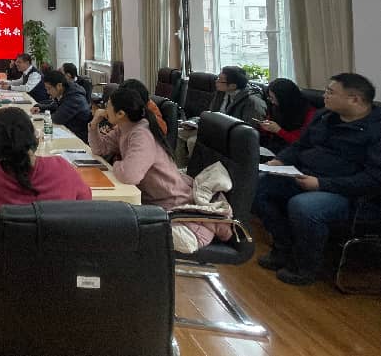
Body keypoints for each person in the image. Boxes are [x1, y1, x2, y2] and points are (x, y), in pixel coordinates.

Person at [254, 73, 381, 285]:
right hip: (305, 176)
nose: (324, 96)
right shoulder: (324, 116)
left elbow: (373, 179)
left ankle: (305, 267)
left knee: (304, 206)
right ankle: (283, 248)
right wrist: (280, 161)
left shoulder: (376, 130)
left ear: (354, 99)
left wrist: (322, 184)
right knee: (259, 186)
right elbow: (300, 146)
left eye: (331, 92)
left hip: (351, 195)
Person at [88, 89, 227, 251]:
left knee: (110, 226)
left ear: (120, 114)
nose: (104, 108)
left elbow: (130, 176)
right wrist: (94, 125)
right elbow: (100, 149)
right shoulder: (124, 128)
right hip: (156, 205)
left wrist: (117, 163)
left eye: (108, 105)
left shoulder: (141, 134)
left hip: (176, 213)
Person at [0, 107, 91, 208]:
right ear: (32, 135)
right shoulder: (61, 167)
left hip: (13, 232)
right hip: (57, 231)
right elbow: (85, 199)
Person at [257, 78, 316, 154]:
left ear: (284, 98)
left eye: (272, 98)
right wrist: (265, 127)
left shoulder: (309, 113)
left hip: (294, 152)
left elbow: (303, 143)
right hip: (274, 148)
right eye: (269, 97)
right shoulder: (277, 107)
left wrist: (279, 131)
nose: (271, 101)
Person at [31, 71, 91, 140]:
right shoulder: (65, 90)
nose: (47, 92)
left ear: (59, 86)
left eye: (49, 88)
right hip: (67, 130)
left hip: (78, 136)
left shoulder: (75, 98)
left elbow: (57, 119)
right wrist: (41, 108)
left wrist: (44, 117)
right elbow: (56, 105)